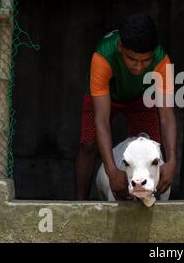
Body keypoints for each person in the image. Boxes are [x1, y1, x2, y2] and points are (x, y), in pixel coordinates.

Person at [75, 13, 177, 200]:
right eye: (132, 59)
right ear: (121, 47)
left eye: (146, 61)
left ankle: (148, 202)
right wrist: (112, 171)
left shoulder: (162, 61)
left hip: (142, 98)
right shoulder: (102, 56)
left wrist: (171, 161)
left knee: (151, 148)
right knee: (88, 144)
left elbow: (167, 116)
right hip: (104, 97)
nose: (139, 67)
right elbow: (102, 120)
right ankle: (79, 204)